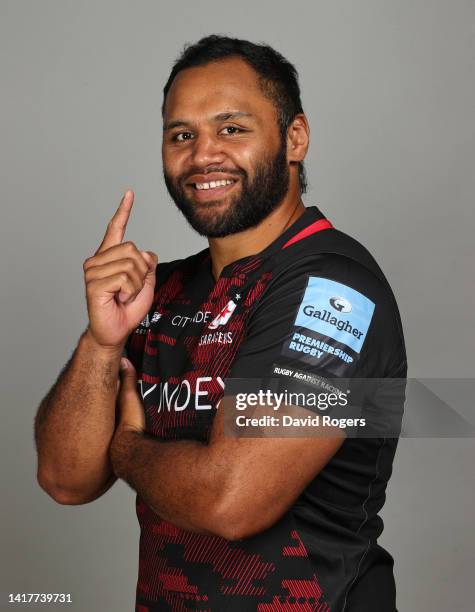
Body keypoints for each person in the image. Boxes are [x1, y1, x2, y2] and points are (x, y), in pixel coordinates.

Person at [34, 35, 406, 611]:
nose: (203, 154)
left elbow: (231, 501)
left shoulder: (333, 288)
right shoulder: (163, 290)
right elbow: (66, 478)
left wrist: (128, 448)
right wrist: (102, 342)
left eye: (231, 128)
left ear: (295, 138)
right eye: (182, 134)